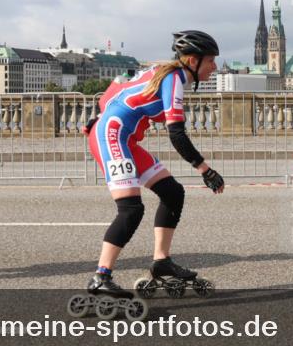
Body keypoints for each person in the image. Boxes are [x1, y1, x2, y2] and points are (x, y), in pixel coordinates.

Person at [82, 30, 225, 300]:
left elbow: (117, 89)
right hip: (112, 136)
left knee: (172, 192)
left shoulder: (162, 71)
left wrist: (97, 116)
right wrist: (205, 170)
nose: (215, 67)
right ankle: (101, 276)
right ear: (193, 61)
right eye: (210, 61)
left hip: (123, 137)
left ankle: (161, 261)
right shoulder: (173, 79)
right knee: (131, 209)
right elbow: (177, 134)